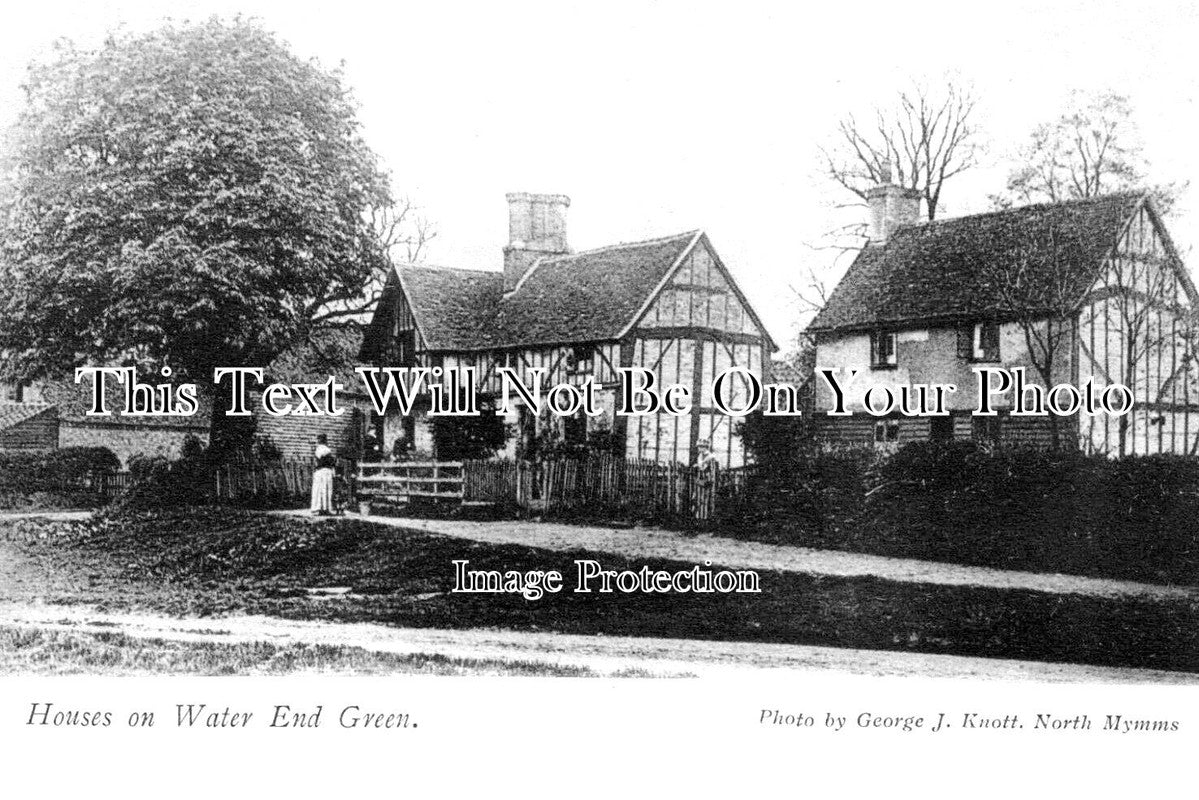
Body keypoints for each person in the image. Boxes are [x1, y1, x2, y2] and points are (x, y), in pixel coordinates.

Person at [310, 434, 335, 515]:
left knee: (319, 490)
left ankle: (318, 508)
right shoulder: (327, 450)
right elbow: (331, 462)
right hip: (325, 471)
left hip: (319, 471)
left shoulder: (318, 450)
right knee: (325, 489)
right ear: (326, 441)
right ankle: (325, 508)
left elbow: (316, 461)